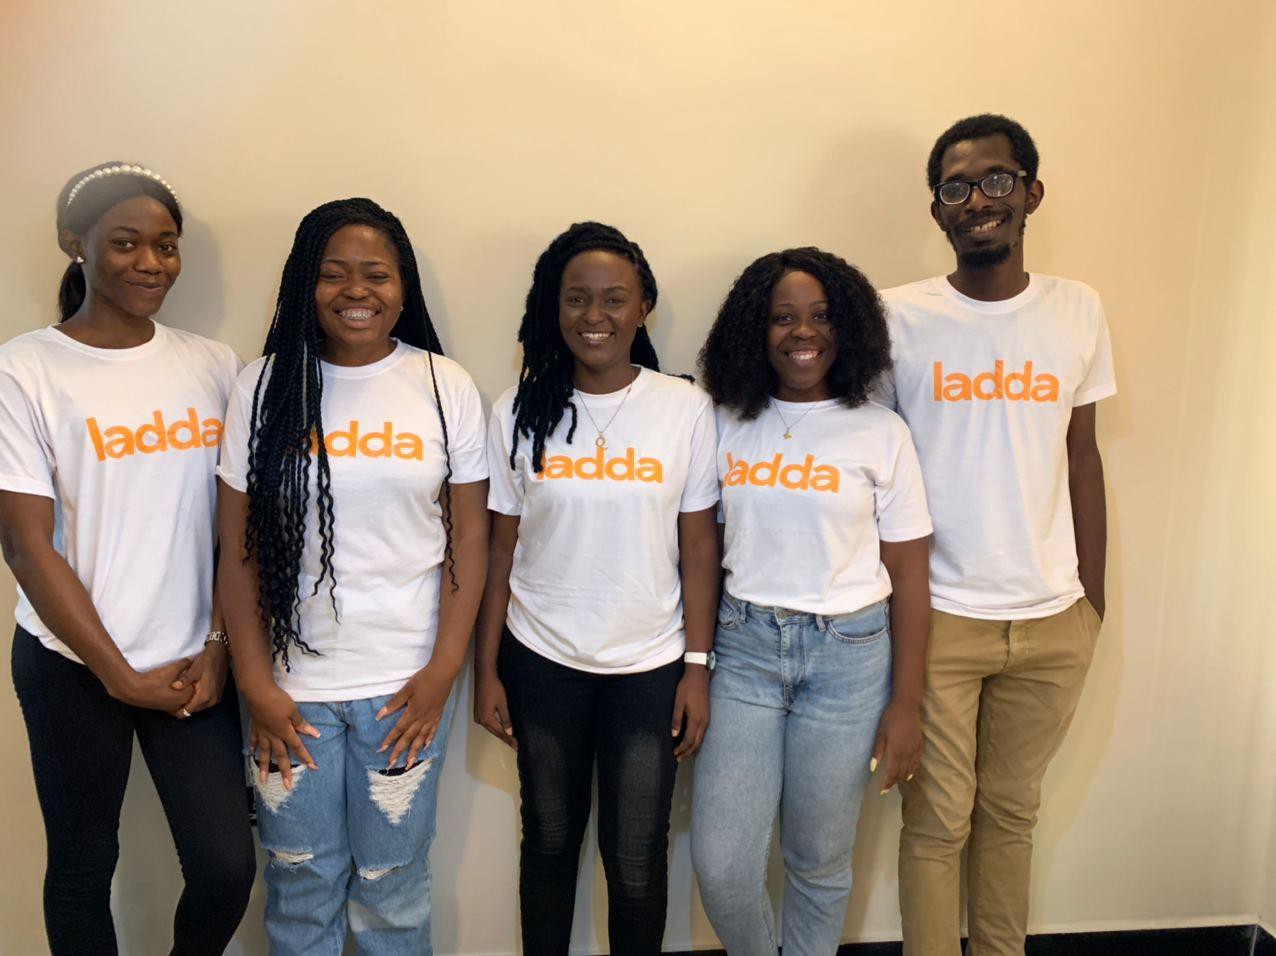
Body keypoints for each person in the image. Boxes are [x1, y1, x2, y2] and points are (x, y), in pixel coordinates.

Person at [217, 198, 489, 955]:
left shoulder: (443, 385)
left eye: (376, 273)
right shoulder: (263, 386)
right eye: (333, 273)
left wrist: (442, 672)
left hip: (405, 691)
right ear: (306, 283)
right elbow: (237, 551)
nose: (356, 290)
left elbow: (469, 542)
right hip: (289, 694)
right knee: (300, 883)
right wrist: (256, 686)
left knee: (392, 887)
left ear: (404, 287)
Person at [875, 114, 1116, 956]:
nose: (978, 200)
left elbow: (1082, 458)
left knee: (1013, 815)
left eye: (997, 181)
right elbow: (874, 470)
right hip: (940, 615)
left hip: (1052, 620)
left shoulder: (1078, 309)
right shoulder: (898, 317)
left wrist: (1092, 602)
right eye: (956, 188)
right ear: (937, 211)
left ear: (1031, 194)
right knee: (939, 822)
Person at [0, 162, 254, 954]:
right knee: (83, 868)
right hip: (73, 663)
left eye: (166, 246)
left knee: (225, 869)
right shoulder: (25, 368)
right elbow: (25, 543)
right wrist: (115, 673)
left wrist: (219, 647)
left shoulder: (214, 365)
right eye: (125, 243)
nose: (151, 263)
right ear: (74, 245)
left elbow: (235, 530)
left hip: (189, 662)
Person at [473, 221, 720, 955]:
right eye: (576, 298)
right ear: (553, 307)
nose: (595, 315)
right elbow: (499, 549)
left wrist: (698, 668)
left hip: (650, 665)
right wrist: (486, 670)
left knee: (637, 861)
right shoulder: (517, 410)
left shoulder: (684, 408)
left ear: (643, 307)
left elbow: (699, 545)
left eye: (614, 298)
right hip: (541, 659)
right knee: (549, 843)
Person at [691, 248, 932, 955]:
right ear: (754, 330)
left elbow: (910, 572)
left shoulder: (881, 431)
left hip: (850, 658)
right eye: (783, 318)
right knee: (723, 865)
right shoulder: (723, 423)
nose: (804, 332)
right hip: (744, 649)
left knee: (819, 863)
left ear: (848, 328)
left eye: (822, 316)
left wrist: (907, 702)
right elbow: (699, 547)